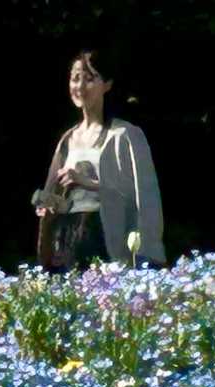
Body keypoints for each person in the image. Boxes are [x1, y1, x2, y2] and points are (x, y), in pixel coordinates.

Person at [35, 48, 166, 271]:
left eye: (89, 79)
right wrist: (47, 203)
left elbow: (142, 196)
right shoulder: (67, 140)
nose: (80, 86)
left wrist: (87, 182)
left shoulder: (125, 135)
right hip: (68, 237)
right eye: (75, 78)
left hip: (107, 236)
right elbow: (52, 193)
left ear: (107, 84)